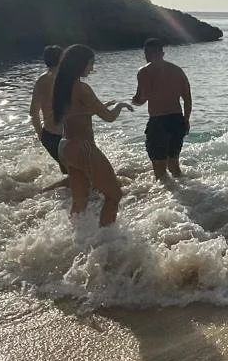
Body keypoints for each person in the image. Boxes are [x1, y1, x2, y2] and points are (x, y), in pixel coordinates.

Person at [52, 45, 134, 227]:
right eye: (91, 63)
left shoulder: (61, 86)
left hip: (66, 147)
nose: (92, 68)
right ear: (81, 64)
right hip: (83, 147)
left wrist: (102, 105)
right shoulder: (82, 88)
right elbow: (109, 117)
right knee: (114, 195)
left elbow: (77, 112)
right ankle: (106, 241)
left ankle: (78, 241)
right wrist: (119, 105)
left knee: (79, 202)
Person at [131, 38, 192, 180]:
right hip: (177, 120)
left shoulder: (144, 71)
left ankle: (167, 200)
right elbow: (187, 98)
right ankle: (188, 195)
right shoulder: (177, 71)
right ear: (162, 53)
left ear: (146, 53)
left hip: (159, 121)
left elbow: (142, 98)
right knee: (174, 165)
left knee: (160, 170)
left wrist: (133, 101)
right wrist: (186, 120)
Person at [29, 44, 64, 166]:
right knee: (81, 176)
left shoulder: (40, 80)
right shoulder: (65, 79)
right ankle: (48, 187)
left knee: (76, 176)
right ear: (61, 59)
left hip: (49, 136)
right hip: (66, 137)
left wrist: (41, 135)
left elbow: (33, 113)